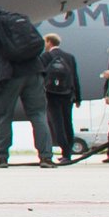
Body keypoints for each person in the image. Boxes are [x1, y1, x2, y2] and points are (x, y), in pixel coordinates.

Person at [0, 4, 56, 167]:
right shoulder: (17, 18)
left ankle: (2, 157)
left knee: (3, 116)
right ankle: (46, 156)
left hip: (8, 75)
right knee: (38, 115)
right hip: (34, 71)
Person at [38, 34, 84, 162]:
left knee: (56, 122)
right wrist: (78, 97)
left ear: (49, 42)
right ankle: (68, 152)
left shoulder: (45, 57)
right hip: (67, 94)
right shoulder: (69, 57)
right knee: (68, 122)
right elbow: (75, 77)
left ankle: (64, 151)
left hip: (51, 94)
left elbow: (40, 76)